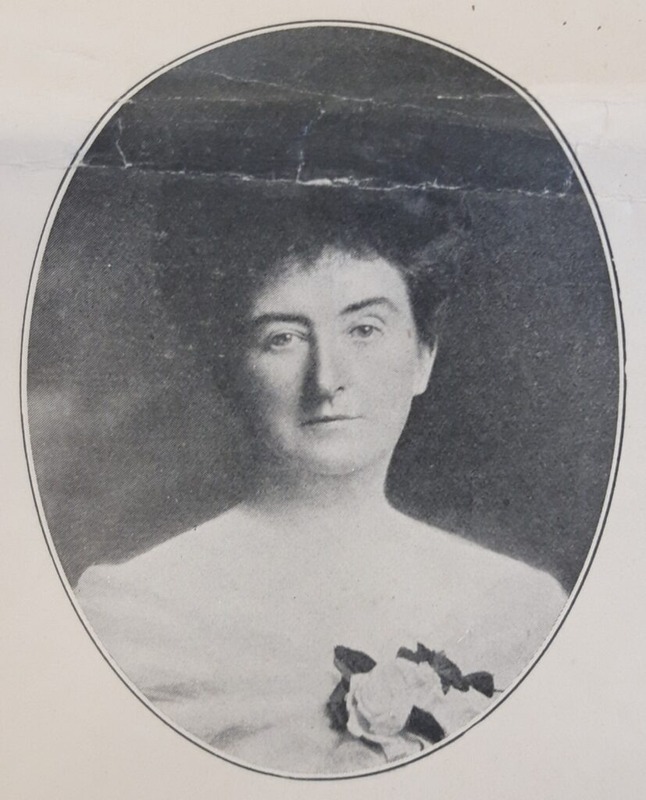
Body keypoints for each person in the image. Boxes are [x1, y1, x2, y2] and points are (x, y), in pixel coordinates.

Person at [75, 184, 567, 776]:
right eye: (282, 338)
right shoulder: (133, 614)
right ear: (231, 372)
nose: (327, 379)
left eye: (364, 329)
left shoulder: (520, 607)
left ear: (424, 356)